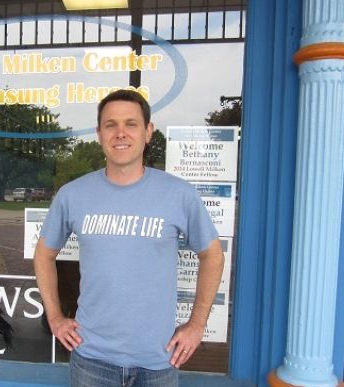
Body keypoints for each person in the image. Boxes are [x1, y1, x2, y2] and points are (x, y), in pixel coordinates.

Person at [33, 89, 224, 387]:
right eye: (111, 125)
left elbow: (212, 255)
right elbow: (44, 255)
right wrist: (56, 318)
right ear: (99, 133)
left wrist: (197, 324)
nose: (120, 133)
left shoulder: (179, 194)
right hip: (92, 361)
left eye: (131, 124)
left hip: (158, 361)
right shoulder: (73, 194)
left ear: (148, 132)